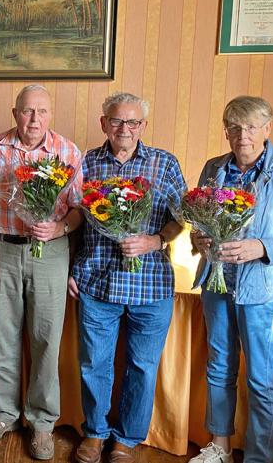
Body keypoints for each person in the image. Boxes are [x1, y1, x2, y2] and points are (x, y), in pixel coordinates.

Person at [188, 96, 273, 463]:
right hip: (217, 284)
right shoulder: (213, 168)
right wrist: (198, 239)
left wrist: (262, 247)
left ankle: (259, 458)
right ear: (227, 131)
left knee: (262, 381)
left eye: (251, 127)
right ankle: (219, 447)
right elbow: (200, 223)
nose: (242, 135)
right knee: (219, 366)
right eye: (234, 127)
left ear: (268, 129)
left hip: (265, 290)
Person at [69, 92, 186, 463]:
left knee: (143, 366)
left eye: (133, 122)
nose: (125, 129)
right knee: (93, 363)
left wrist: (155, 240)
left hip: (150, 284)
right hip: (97, 281)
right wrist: (72, 269)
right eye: (117, 121)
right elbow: (72, 221)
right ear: (103, 123)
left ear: (143, 126)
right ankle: (95, 433)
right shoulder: (85, 163)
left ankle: (127, 439)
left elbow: (185, 215)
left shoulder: (164, 163)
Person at [0, 84, 83, 461]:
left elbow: (78, 210)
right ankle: (3, 414)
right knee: (3, 338)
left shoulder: (68, 152)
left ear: (50, 115)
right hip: (2, 249)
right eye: (27, 111)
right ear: (14, 112)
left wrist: (58, 228)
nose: (34, 119)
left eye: (41, 112)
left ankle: (41, 422)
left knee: (45, 340)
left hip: (50, 253)